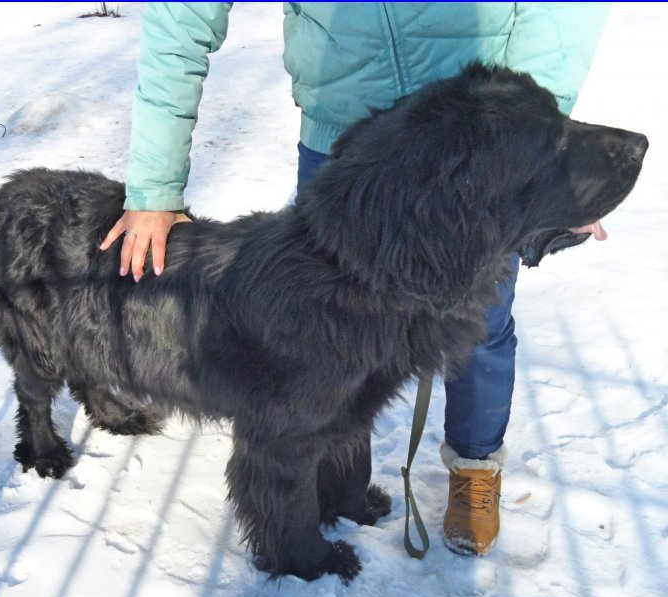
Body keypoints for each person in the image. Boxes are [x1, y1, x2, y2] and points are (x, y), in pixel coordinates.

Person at [100, 2, 610, 556]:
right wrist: (154, 187)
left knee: (479, 326)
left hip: (483, 144)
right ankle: (335, 482)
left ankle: (475, 467)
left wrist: (541, 149)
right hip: (350, 144)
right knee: (332, 346)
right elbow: (182, 16)